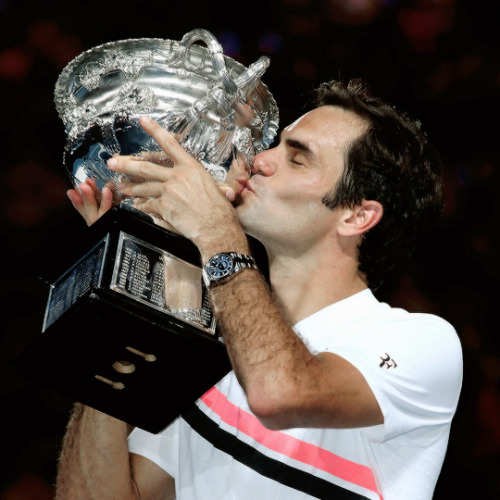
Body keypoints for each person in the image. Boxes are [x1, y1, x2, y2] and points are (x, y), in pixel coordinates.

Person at [55, 79, 463, 500]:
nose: (260, 160)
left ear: (357, 216)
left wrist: (215, 230)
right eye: (277, 144)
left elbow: (280, 391)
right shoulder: (213, 341)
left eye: (297, 159)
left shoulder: (422, 343)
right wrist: (127, 283)